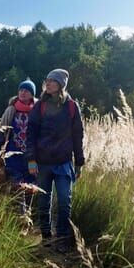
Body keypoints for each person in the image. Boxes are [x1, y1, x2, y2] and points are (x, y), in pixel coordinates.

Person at [25, 68, 85, 253]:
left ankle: (61, 238)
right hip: (42, 163)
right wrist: (31, 160)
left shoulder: (72, 106)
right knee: (43, 200)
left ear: (61, 85)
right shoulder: (39, 106)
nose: (48, 83)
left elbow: (78, 135)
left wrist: (79, 162)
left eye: (52, 81)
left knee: (65, 201)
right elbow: (31, 134)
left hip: (64, 162)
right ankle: (46, 237)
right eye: (47, 80)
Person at [0, 79, 38, 226]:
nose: (23, 93)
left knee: (30, 185)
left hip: (31, 156)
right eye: (21, 90)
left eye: (27, 91)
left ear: (32, 95)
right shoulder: (11, 109)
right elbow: (1, 131)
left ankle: (27, 214)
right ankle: (22, 217)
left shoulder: (38, 110)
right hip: (13, 154)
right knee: (17, 184)